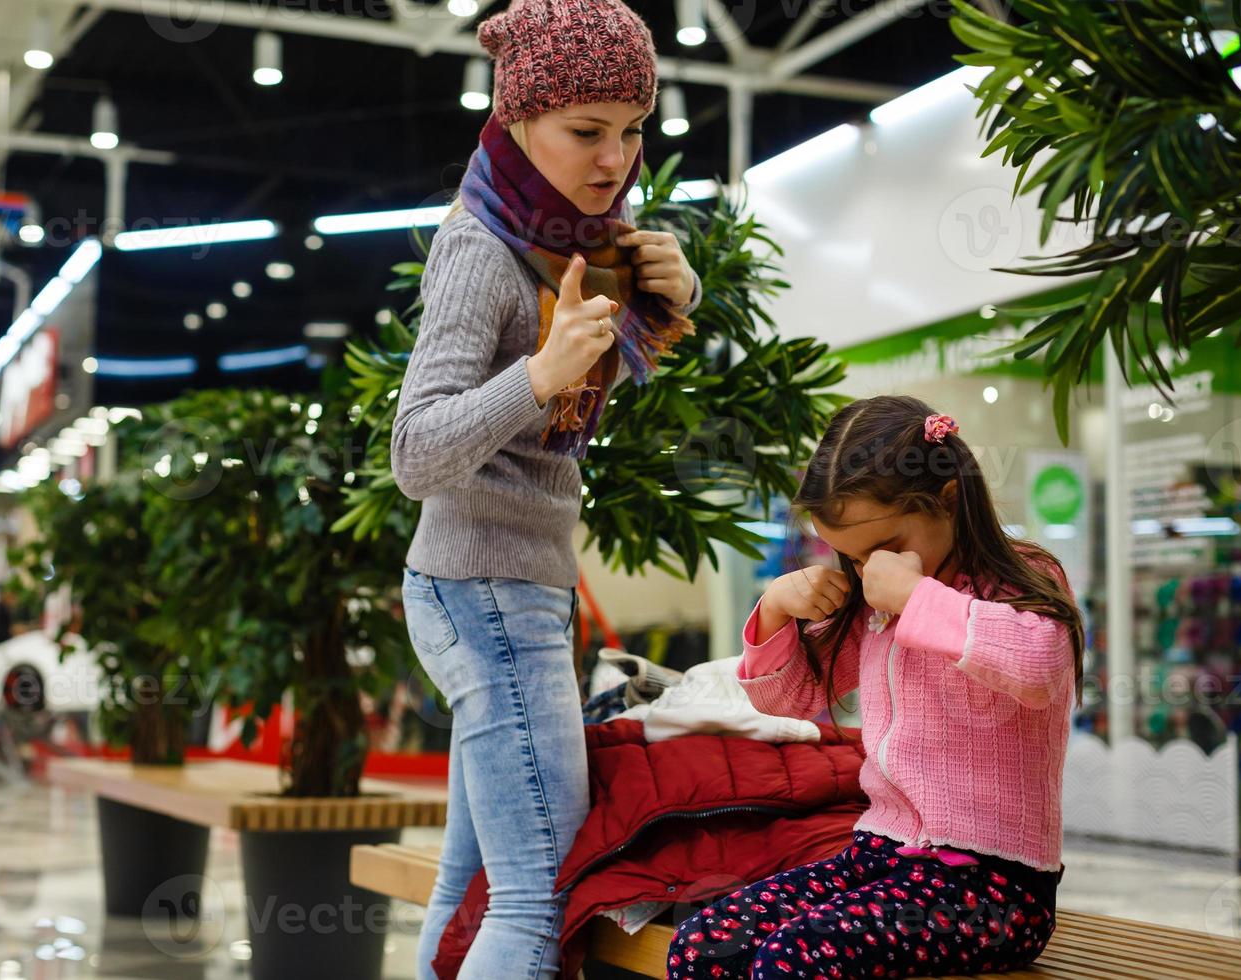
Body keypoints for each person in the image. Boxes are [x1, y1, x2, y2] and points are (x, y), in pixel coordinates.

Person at [390, 1, 703, 976]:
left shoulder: (577, 241)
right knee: (537, 899)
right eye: (586, 130)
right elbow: (413, 453)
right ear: (518, 120)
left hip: (514, 581)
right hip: (482, 582)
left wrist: (677, 297)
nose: (616, 157)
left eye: (632, 129)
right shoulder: (483, 249)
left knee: (473, 883)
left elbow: (573, 413)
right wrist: (537, 375)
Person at [667, 395, 1085, 978]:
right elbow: (788, 700)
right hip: (881, 855)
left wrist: (918, 598)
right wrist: (774, 613)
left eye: (883, 547)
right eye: (850, 555)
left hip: (995, 886)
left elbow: (1039, 666)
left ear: (948, 500)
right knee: (703, 943)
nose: (867, 569)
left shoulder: (1024, 576)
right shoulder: (874, 604)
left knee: (791, 962)